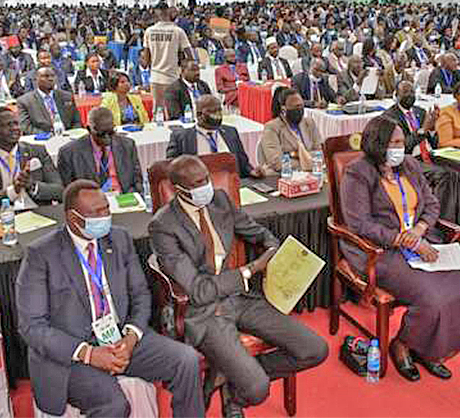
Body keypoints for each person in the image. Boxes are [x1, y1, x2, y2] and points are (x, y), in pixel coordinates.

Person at [149, 156, 328, 417]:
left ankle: (229, 380)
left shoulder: (219, 200)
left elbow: (255, 231)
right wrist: (250, 269)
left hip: (241, 298)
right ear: (179, 190)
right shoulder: (163, 225)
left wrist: (272, 248)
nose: (205, 187)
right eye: (198, 183)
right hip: (204, 312)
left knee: (315, 349)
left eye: (206, 179)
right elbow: (198, 290)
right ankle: (239, 391)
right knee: (257, 389)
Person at [16, 180, 204, 418]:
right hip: (72, 355)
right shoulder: (41, 255)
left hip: (119, 339)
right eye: (97, 213)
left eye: (106, 208)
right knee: (114, 405)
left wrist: (131, 337)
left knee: (186, 360)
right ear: (74, 218)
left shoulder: (119, 239)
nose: (105, 216)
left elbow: (140, 294)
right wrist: (89, 353)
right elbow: (31, 326)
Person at [341, 115, 460, 381]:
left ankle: (427, 349)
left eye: (402, 141)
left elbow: (432, 204)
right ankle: (402, 345)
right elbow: (359, 224)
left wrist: (420, 231)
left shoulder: (409, 164)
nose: (401, 147)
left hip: (422, 241)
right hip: (380, 251)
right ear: (378, 144)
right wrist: (404, 240)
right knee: (432, 298)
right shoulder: (357, 172)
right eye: (395, 143)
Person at [0, 107, 63, 216]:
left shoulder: (37, 152)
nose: (15, 128)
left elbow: (59, 191)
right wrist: (11, 192)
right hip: (0, 218)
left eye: (16, 123)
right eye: (7, 125)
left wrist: (32, 186)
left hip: (37, 214)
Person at [166, 95, 263, 179]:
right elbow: (172, 170)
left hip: (230, 184)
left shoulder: (230, 132)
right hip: (198, 187)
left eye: (219, 110)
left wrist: (251, 171)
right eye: (212, 111)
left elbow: (243, 164)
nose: (218, 115)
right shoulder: (181, 137)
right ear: (199, 114)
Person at [57, 107, 144, 194]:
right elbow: (69, 193)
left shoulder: (127, 145)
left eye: (111, 133)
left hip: (123, 198)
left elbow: (137, 181)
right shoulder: (69, 153)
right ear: (89, 129)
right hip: (91, 202)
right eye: (101, 134)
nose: (107, 138)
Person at [141, 3, 192, 112]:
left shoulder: (149, 31)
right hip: (172, 76)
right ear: (169, 12)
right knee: (173, 111)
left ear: (156, 14)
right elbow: (190, 56)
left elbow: (145, 61)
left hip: (155, 76)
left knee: (157, 110)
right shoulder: (178, 31)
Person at [260, 87, 322, 175]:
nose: (300, 110)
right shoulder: (272, 128)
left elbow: (319, 152)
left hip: (311, 173)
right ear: (284, 109)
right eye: (296, 107)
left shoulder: (309, 123)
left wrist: (294, 155)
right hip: (284, 176)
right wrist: (306, 162)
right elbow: (276, 163)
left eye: (301, 106)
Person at [17, 67, 82, 135]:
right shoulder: (25, 101)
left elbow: (77, 121)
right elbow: (25, 127)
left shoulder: (67, 96)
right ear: (36, 79)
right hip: (42, 140)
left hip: (68, 137)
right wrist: (46, 136)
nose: (51, 79)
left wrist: (73, 134)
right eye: (46, 76)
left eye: (53, 76)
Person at [385, 81, 439, 160]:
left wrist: (432, 129)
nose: (410, 95)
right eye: (405, 92)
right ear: (396, 95)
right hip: (411, 159)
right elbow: (402, 148)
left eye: (412, 92)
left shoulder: (421, 112)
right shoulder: (390, 117)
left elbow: (434, 144)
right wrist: (423, 130)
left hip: (431, 154)